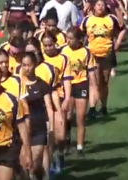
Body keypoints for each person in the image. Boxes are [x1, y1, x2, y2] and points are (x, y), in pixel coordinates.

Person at [25, 37, 63, 179]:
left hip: (41, 118)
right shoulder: (19, 75)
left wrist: (56, 114)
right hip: (25, 121)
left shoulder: (47, 70)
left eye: (33, 52)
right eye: (27, 52)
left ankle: (47, 173)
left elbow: (52, 94)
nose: (31, 55)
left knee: (44, 149)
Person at [80, 0, 126, 117]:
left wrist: (118, 42)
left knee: (103, 83)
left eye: (103, 5)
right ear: (94, 7)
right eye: (98, 5)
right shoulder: (88, 20)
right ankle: (92, 108)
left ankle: (103, 107)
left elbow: (122, 29)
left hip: (107, 54)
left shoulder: (111, 19)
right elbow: (80, 34)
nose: (101, 7)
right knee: (94, 82)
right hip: (92, 55)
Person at [60, 27, 97, 157]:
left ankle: (80, 147)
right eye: (67, 38)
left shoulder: (86, 52)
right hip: (67, 86)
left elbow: (91, 72)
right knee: (68, 117)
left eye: (71, 38)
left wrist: (94, 89)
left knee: (81, 118)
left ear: (78, 39)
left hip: (81, 84)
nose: (68, 41)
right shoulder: (62, 50)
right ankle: (67, 141)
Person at [41, 30, 73, 173]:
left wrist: (66, 98)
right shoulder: (39, 59)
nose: (48, 48)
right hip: (43, 98)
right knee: (50, 133)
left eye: (50, 45)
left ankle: (60, 153)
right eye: (45, 45)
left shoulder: (63, 59)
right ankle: (52, 161)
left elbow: (66, 80)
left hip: (58, 96)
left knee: (60, 134)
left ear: (55, 44)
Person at [19, 52, 54, 180]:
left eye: (29, 65)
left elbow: (49, 107)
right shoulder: (17, 84)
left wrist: (52, 128)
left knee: (35, 161)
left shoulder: (42, 84)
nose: (27, 68)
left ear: (35, 65)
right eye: (24, 65)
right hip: (22, 129)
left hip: (39, 127)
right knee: (24, 166)